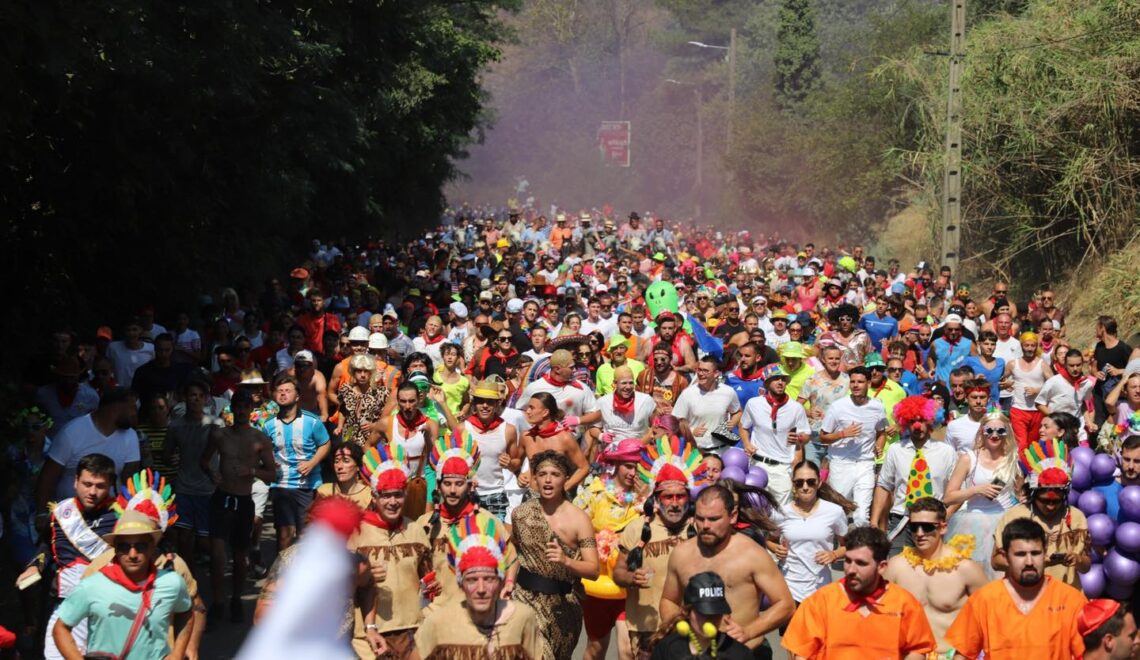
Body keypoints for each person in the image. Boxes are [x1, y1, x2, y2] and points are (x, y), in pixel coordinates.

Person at [660, 485, 795, 657]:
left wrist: (748, 631)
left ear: (733, 516)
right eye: (700, 519)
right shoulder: (682, 553)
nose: (705, 525)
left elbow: (786, 604)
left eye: (714, 519)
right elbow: (668, 600)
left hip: (746, 652)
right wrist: (680, 631)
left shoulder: (753, 555)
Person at [52, 510, 194, 660]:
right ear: (115, 549)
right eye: (124, 548)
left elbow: (187, 613)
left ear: (152, 547)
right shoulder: (91, 586)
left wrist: (177, 654)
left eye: (140, 546)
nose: (132, 554)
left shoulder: (172, 583)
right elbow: (60, 628)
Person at [612, 435, 707, 658]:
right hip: (646, 626)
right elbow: (618, 572)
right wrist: (631, 579)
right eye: (668, 497)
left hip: (689, 625)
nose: (674, 503)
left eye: (680, 497)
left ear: (688, 499)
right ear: (656, 500)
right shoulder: (636, 529)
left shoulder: (702, 529)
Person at [781, 526, 937, 660]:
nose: (851, 570)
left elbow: (918, 649)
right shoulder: (820, 601)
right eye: (848, 561)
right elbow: (800, 652)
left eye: (861, 563)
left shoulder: (904, 603)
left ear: (882, 567)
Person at [945, 517, 1088, 659]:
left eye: (1035, 553)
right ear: (1005, 556)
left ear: (1045, 553)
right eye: (1020, 554)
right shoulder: (985, 600)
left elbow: (1088, 654)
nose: (1029, 562)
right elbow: (963, 654)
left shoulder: (1071, 600)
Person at [506, 450, 600, 660]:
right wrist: (509, 581)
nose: (548, 480)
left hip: (563, 606)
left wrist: (566, 561)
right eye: (542, 474)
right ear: (535, 479)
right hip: (524, 599)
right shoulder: (521, 514)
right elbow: (513, 550)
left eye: (555, 474)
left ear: (566, 478)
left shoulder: (579, 519)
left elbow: (593, 570)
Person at [25, 454, 119, 659]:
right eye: (87, 484)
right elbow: (46, 547)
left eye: (100, 486)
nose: (92, 492)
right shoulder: (61, 513)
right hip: (65, 606)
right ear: (75, 481)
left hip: (107, 610)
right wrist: (35, 566)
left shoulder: (122, 516)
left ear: (111, 484)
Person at [199, 388, 277, 622]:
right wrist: (212, 474)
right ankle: (218, 602)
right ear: (232, 409)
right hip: (222, 498)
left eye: (245, 407)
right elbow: (203, 460)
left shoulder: (260, 439)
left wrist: (251, 471)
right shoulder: (220, 435)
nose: (242, 411)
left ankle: (236, 600)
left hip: (244, 500)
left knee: (241, 554)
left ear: (251, 410)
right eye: (238, 407)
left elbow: (272, 474)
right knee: (217, 553)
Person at [352, 443, 433, 658]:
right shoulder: (355, 533)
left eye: (398, 495)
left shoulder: (415, 530)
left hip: (413, 632)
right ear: (374, 495)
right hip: (369, 635)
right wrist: (361, 576)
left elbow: (429, 582)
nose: (392, 502)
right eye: (386, 495)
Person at [412, 531, 545, 659]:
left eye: (488, 579)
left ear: (500, 582)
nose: (481, 589)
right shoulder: (437, 623)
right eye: (472, 580)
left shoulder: (522, 618)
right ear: (461, 584)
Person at [574, 439, 650, 660]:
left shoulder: (646, 496)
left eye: (638, 467)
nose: (633, 472)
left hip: (631, 584)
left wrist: (647, 499)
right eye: (628, 466)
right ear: (616, 464)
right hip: (600, 584)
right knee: (596, 649)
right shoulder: (596, 492)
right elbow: (575, 524)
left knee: (627, 650)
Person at [883, 497, 987, 655]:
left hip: (948, 655)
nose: (919, 533)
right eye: (914, 527)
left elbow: (989, 616)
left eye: (927, 527)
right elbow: (877, 613)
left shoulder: (965, 569)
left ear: (943, 528)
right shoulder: (896, 566)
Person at [871, 395, 958, 555]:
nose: (918, 426)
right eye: (912, 421)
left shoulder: (946, 452)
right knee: (898, 569)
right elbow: (883, 486)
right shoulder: (895, 450)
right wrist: (874, 521)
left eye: (922, 420)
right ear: (904, 423)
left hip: (933, 521)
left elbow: (958, 490)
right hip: (901, 520)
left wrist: (945, 516)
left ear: (931, 421)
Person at [944, 412, 1022, 576]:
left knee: (1002, 574)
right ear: (982, 431)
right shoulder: (969, 458)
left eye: (1000, 431)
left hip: (1004, 522)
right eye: (990, 430)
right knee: (973, 575)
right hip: (973, 523)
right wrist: (976, 490)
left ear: (1007, 432)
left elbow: (1020, 493)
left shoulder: (1013, 459)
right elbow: (948, 497)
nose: (995, 435)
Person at [992, 460, 1091, 589]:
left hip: (1065, 596)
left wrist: (1078, 560)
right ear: (1033, 495)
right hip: (1023, 594)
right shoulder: (1014, 516)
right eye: (1044, 501)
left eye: (1056, 501)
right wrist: (1036, 562)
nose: (1050, 506)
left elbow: (1086, 566)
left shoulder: (1076, 517)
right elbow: (996, 562)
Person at [768, 460, 852, 609]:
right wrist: (776, 548)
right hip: (789, 589)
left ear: (819, 483)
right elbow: (769, 540)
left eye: (810, 482)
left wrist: (834, 555)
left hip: (819, 588)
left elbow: (849, 547)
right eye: (799, 483)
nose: (805, 487)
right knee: (791, 632)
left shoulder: (834, 512)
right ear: (793, 484)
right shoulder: (781, 512)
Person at [38, 387, 140, 507]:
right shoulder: (72, 432)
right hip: (70, 515)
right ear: (117, 408)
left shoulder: (131, 436)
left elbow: (131, 480)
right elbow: (47, 477)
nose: (135, 414)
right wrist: (42, 512)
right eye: (133, 408)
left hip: (109, 515)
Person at [263, 373, 331, 552]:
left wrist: (312, 462)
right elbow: (263, 451)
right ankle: (281, 576)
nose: (283, 394)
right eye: (279, 391)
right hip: (281, 485)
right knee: (284, 536)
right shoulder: (268, 425)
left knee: (305, 535)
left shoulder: (312, 421)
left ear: (297, 396)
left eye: (287, 390)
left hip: (307, 485)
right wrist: (268, 463)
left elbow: (325, 443)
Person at [817, 366, 887, 526]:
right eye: (853, 382)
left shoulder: (877, 406)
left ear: (868, 383)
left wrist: (879, 446)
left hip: (865, 464)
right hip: (841, 463)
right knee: (838, 511)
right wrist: (843, 434)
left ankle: (858, 550)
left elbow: (881, 432)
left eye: (860, 382)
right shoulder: (838, 406)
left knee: (862, 516)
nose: (856, 385)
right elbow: (823, 437)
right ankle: (837, 547)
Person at [167, 378, 225, 565]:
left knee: (205, 540)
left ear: (206, 399)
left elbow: (226, 453)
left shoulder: (216, 424)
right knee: (184, 537)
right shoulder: (175, 426)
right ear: (185, 398)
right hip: (184, 486)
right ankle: (188, 578)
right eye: (192, 395)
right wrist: (172, 457)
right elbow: (166, 453)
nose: (196, 399)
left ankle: (218, 568)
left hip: (209, 488)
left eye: (201, 396)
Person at [739, 364, 810, 506]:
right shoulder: (754, 404)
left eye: (783, 379)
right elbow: (743, 425)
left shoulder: (796, 408)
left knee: (782, 512)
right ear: (766, 382)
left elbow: (806, 434)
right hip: (758, 464)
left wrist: (799, 438)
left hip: (782, 467)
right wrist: (747, 444)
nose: (780, 382)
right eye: (776, 379)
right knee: (755, 508)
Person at [648, 571, 755, 660]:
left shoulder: (740, 654)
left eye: (716, 612)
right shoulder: (668, 648)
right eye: (703, 613)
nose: (710, 619)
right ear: (686, 612)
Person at [464, 378, 522, 521]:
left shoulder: (508, 430)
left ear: (497, 404)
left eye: (490, 402)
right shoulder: (463, 429)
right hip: (467, 494)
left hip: (496, 495)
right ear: (474, 404)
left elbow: (516, 463)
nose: (485, 406)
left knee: (496, 540)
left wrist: (509, 463)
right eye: (480, 401)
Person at [517, 392, 590, 491]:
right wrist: (519, 475)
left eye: (532, 408)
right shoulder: (526, 437)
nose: (528, 411)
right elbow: (516, 462)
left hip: (558, 500)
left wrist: (564, 488)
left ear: (545, 412)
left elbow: (584, 467)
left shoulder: (564, 438)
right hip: (533, 496)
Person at [674, 355, 743, 454]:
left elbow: (738, 412)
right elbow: (675, 422)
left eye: (705, 371)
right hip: (696, 452)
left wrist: (731, 423)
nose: (701, 374)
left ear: (716, 374)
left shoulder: (728, 392)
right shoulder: (687, 394)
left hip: (721, 451)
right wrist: (691, 431)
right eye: (699, 370)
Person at [798, 345, 850, 469]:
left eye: (837, 358)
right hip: (814, 439)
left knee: (832, 481)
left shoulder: (847, 380)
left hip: (838, 441)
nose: (834, 361)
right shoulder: (812, 379)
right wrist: (809, 413)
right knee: (813, 476)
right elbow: (797, 406)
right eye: (830, 358)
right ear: (823, 359)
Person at [1005, 331, 1052, 452]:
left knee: (1034, 444)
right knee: (1021, 443)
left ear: (1036, 346)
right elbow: (1000, 380)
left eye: (1032, 345)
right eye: (1027, 345)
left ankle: (1030, 469)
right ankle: (1020, 469)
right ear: (1021, 346)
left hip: (1038, 410)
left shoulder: (1042, 364)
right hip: (1018, 409)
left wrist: (1037, 390)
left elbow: (1054, 385)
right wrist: (1006, 385)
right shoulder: (1012, 364)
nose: (1029, 349)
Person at [334, 353, 389, 447]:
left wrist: (375, 425)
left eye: (366, 371)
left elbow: (389, 416)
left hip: (372, 439)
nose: (362, 375)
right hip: (350, 436)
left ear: (371, 373)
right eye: (359, 371)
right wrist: (339, 426)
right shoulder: (346, 389)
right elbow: (343, 409)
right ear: (353, 372)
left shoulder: (381, 392)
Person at [596, 365, 657, 446]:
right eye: (624, 383)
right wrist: (601, 436)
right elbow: (594, 427)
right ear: (615, 383)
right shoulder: (602, 402)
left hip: (640, 449)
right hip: (612, 451)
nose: (628, 387)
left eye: (631, 383)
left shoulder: (646, 400)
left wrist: (641, 443)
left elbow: (656, 425)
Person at [315, 441, 374, 510]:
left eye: (346, 461)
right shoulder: (323, 491)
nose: (339, 466)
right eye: (336, 461)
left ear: (358, 466)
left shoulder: (369, 495)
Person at [637, 343, 690, 417]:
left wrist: (676, 410)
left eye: (663, 359)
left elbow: (686, 407)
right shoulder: (644, 376)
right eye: (655, 359)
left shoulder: (681, 382)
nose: (659, 362)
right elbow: (637, 399)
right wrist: (653, 409)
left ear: (670, 359)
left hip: (668, 423)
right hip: (647, 421)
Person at [945, 377, 993, 454]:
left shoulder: (998, 423)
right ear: (966, 398)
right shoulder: (954, 426)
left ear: (988, 399)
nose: (978, 401)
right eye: (974, 397)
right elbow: (949, 455)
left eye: (982, 397)